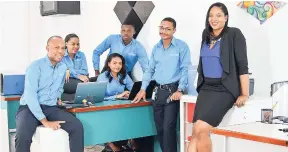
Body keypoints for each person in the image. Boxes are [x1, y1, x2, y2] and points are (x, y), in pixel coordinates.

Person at [188, 2, 249, 152]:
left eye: (219, 15)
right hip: (206, 88)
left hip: (224, 89)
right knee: (195, 130)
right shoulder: (206, 35)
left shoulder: (234, 34)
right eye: (211, 15)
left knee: (202, 128)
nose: (214, 19)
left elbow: (242, 65)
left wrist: (244, 93)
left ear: (226, 18)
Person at [15, 36, 84, 152]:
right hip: (29, 108)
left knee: (77, 126)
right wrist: (45, 122)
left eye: (63, 48)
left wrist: (57, 97)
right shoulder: (35, 66)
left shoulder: (62, 67)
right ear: (47, 48)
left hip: (50, 107)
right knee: (23, 135)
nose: (61, 51)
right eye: (56, 47)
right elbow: (30, 96)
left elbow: (60, 87)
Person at [133, 17, 191, 152]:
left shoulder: (181, 47)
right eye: (162, 28)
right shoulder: (156, 48)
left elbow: (185, 69)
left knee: (168, 128)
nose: (164, 31)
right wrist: (143, 89)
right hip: (158, 91)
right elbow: (149, 70)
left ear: (174, 30)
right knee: (159, 128)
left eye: (168, 29)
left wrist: (180, 89)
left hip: (173, 91)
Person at [97, 53, 136, 152]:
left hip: (120, 105)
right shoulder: (103, 77)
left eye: (120, 63)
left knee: (133, 114)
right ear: (109, 64)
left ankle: (132, 141)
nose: (117, 66)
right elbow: (98, 97)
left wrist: (129, 94)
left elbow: (133, 88)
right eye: (114, 63)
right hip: (105, 107)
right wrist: (117, 96)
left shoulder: (123, 75)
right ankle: (111, 145)